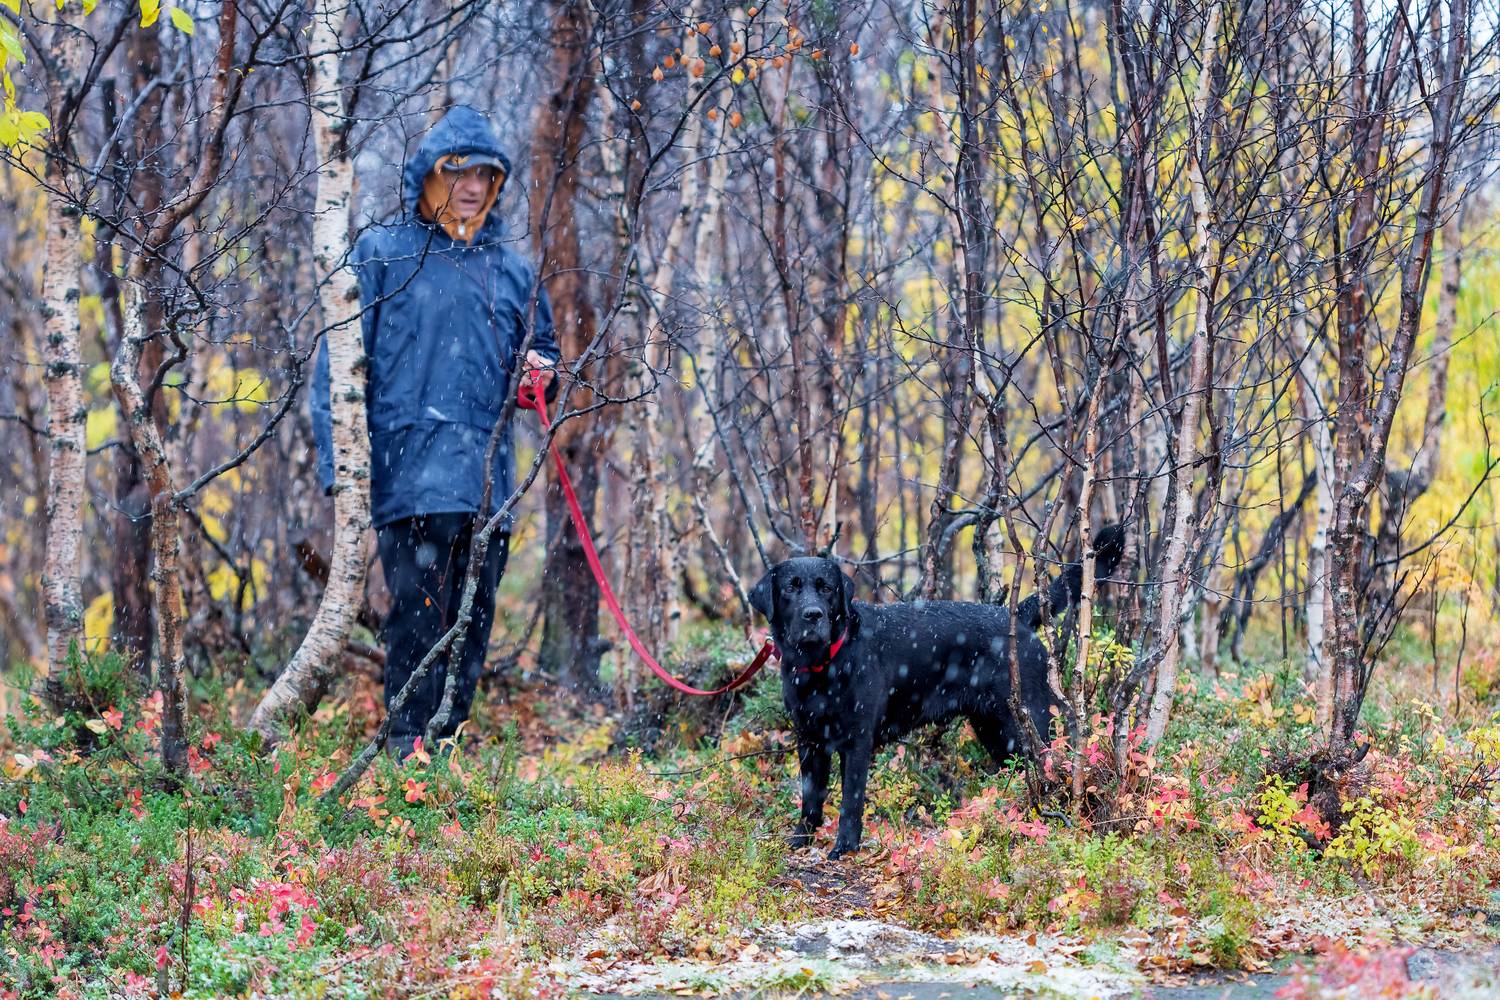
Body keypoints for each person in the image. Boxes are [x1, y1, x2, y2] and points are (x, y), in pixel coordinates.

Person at [312, 105, 559, 760]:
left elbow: (544, 357)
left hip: (487, 483)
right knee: (417, 618)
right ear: (428, 175)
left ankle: (446, 745)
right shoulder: (381, 254)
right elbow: (335, 368)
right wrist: (339, 469)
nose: (472, 186)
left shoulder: (512, 272)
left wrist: (543, 373)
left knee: (473, 622)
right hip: (408, 475)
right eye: (457, 172)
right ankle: (405, 747)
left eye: (484, 175)